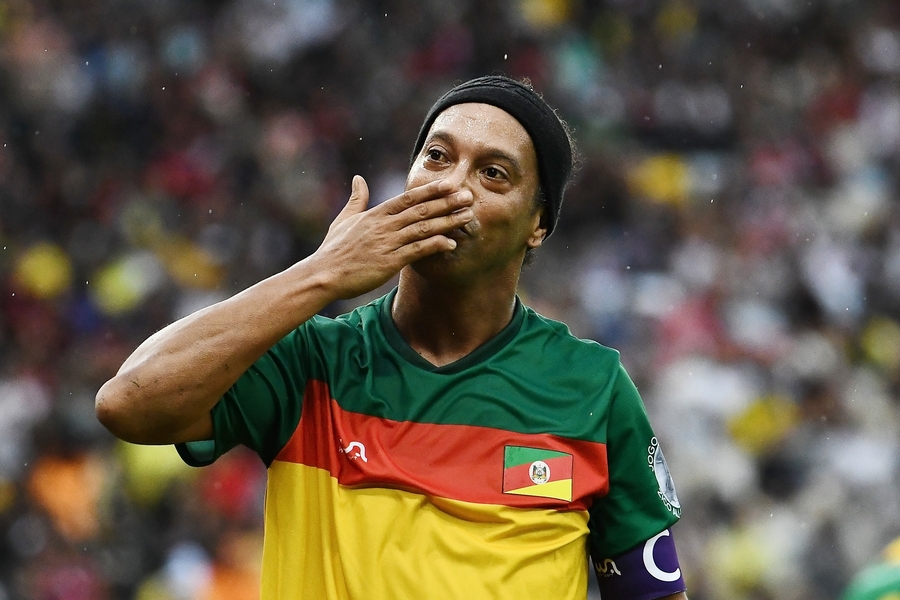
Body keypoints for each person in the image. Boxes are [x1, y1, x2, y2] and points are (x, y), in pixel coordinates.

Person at [96, 75, 688, 600]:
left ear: (538, 225)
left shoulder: (592, 388)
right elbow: (128, 403)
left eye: (493, 173)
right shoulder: (312, 362)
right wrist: (322, 272)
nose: (453, 187)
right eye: (437, 156)